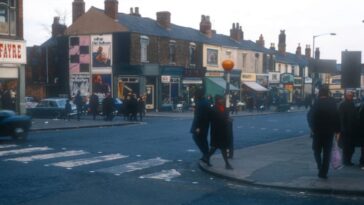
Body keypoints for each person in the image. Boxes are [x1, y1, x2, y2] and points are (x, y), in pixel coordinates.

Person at [307, 87, 340, 179]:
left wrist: (312, 127)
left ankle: (319, 166)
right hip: (329, 132)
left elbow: (309, 116)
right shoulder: (332, 103)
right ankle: (324, 172)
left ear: (320, 94)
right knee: (327, 153)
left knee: (316, 151)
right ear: (327, 94)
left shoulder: (316, 103)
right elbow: (337, 117)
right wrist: (337, 130)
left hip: (317, 132)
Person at [207, 95, 233, 169]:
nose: (222, 100)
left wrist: (228, 119)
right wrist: (227, 120)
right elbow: (216, 119)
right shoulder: (214, 109)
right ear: (218, 100)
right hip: (217, 131)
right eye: (221, 99)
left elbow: (224, 117)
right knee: (220, 148)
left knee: (217, 148)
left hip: (222, 131)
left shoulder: (223, 107)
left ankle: (206, 158)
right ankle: (227, 164)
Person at [190, 89, 211, 164]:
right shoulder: (206, 102)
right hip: (205, 125)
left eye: (195, 95)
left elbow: (199, 116)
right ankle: (206, 156)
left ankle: (206, 155)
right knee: (203, 140)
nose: (194, 96)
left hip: (200, 125)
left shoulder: (200, 103)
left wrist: (197, 127)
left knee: (196, 138)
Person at [338, 91, 357, 166]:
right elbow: (341, 118)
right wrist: (342, 128)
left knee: (351, 147)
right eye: (349, 95)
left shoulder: (352, 104)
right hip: (345, 130)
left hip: (352, 129)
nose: (350, 97)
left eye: (351, 95)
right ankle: (346, 161)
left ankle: (348, 160)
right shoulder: (342, 105)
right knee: (346, 147)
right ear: (346, 96)